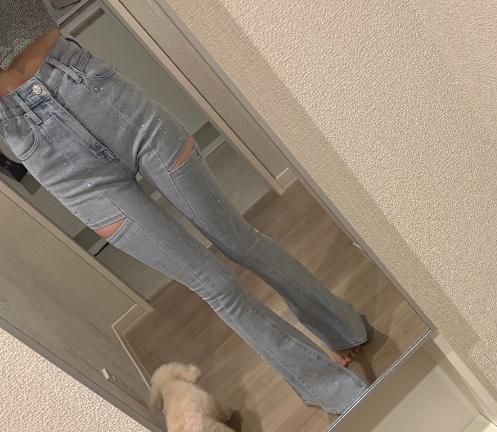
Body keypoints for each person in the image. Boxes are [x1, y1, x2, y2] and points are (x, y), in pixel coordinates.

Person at [0, 0, 370, 414]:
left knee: (239, 240)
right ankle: (330, 388)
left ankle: (341, 326)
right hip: (46, 152)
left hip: (91, 89)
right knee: (216, 286)